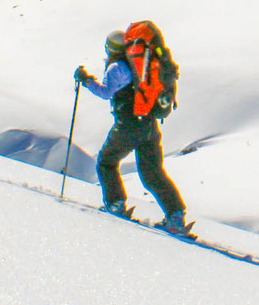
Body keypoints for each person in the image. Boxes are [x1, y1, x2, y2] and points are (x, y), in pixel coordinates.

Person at [75, 28, 189, 238]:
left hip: (128, 125)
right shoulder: (142, 65)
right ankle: (175, 217)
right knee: (153, 174)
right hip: (149, 125)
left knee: (106, 161)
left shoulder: (117, 67)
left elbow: (106, 92)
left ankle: (115, 204)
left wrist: (86, 80)